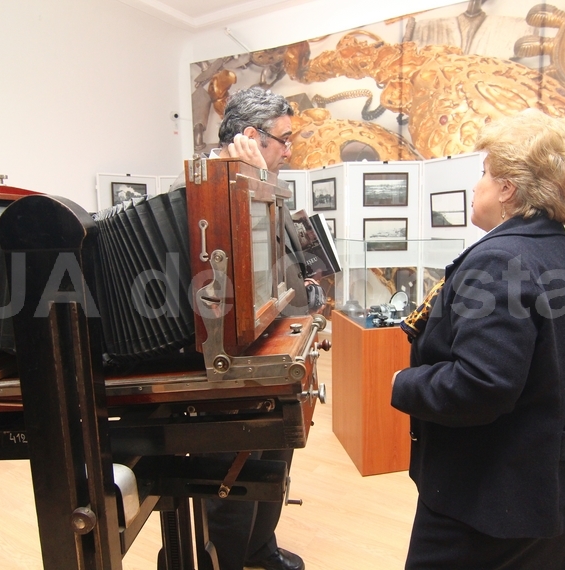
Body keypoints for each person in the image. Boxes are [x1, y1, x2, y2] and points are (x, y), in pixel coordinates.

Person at [390, 109, 565, 569]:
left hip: (494, 499)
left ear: (508, 189)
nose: (477, 186)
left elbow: (480, 386)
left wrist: (402, 381)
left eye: (484, 174)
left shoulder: (498, 261)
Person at [178, 87, 317, 570]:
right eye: (284, 139)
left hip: (272, 358)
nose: (289, 149)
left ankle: (260, 550)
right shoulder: (210, 193)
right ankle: (230, 560)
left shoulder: (255, 186)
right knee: (234, 478)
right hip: (232, 370)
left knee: (274, 464)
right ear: (253, 136)